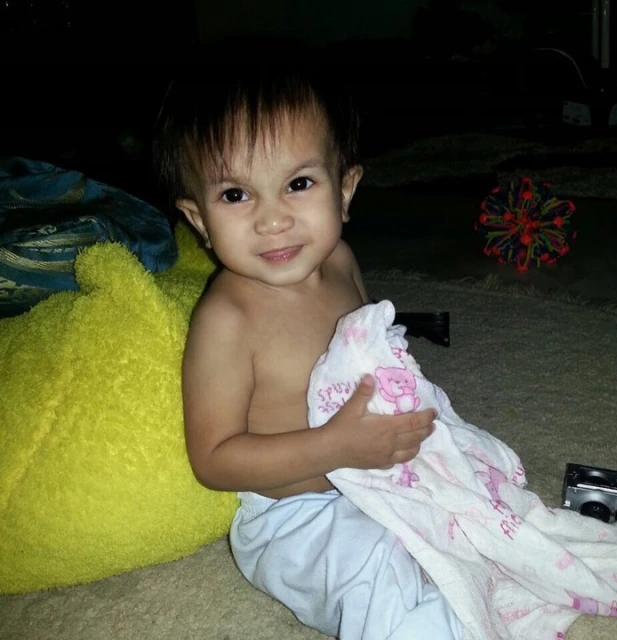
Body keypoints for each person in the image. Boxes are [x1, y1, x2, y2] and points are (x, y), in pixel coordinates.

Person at [153, 64, 463, 640]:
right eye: (235, 194)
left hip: (379, 481)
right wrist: (333, 447)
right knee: (377, 573)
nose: (272, 219)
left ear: (344, 190)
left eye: (298, 184)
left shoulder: (341, 261)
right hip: (295, 516)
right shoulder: (228, 320)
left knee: (476, 540)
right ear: (198, 218)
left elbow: (376, 357)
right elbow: (214, 460)